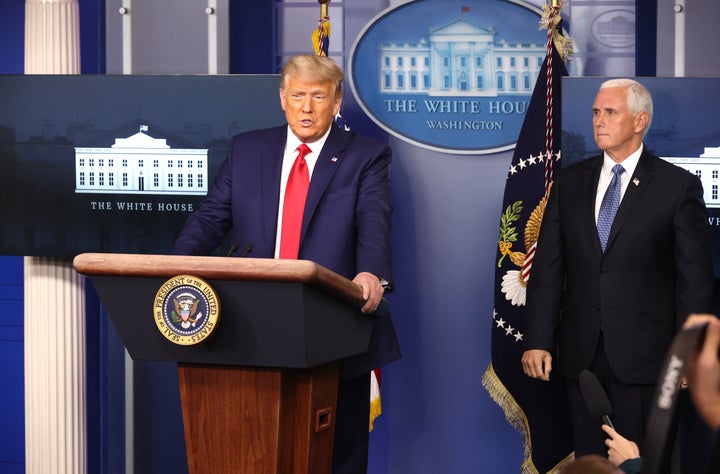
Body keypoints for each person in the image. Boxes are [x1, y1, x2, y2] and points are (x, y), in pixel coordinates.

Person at [172, 54, 400, 473]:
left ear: (336, 102)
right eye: (298, 96)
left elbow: (373, 219)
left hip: (333, 327)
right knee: (250, 445)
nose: (307, 107)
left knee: (334, 454)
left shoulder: (366, 157)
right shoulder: (248, 149)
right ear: (282, 99)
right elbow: (210, 218)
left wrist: (371, 273)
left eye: (318, 96)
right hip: (251, 324)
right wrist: (173, 267)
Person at [521, 78, 715, 466]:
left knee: (641, 463)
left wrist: (690, 353)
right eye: (595, 112)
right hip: (581, 359)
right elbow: (548, 268)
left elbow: (694, 281)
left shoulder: (678, 187)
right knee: (591, 465)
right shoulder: (570, 183)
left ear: (640, 120)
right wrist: (538, 338)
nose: (598, 121)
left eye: (610, 112)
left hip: (648, 362)